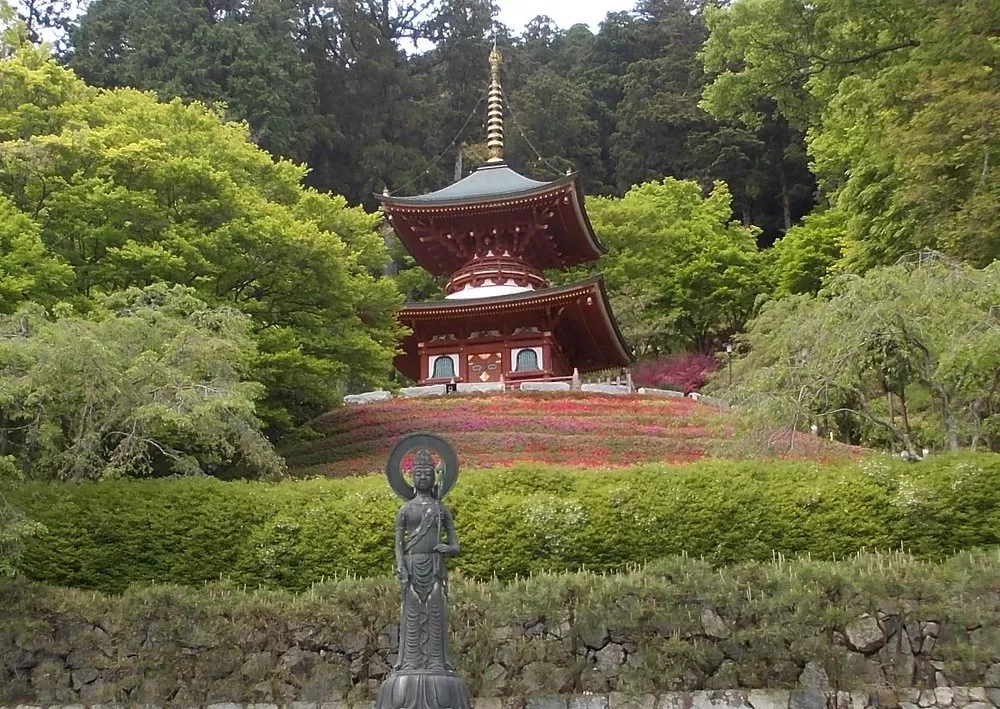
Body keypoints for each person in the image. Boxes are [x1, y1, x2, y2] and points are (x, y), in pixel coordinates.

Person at [394, 449, 460, 671]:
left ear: (434, 477)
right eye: (418, 474)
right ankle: (410, 661)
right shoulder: (406, 509)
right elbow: (399, 544)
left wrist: (447, 548)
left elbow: (455, 545)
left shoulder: (441, 509)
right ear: (411, 478)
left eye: (427, 474)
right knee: (411, 613)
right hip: (412, 565)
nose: (423, 478)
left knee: (435, 611)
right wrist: (401, 566)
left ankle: (436, 661)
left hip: (434, 566)